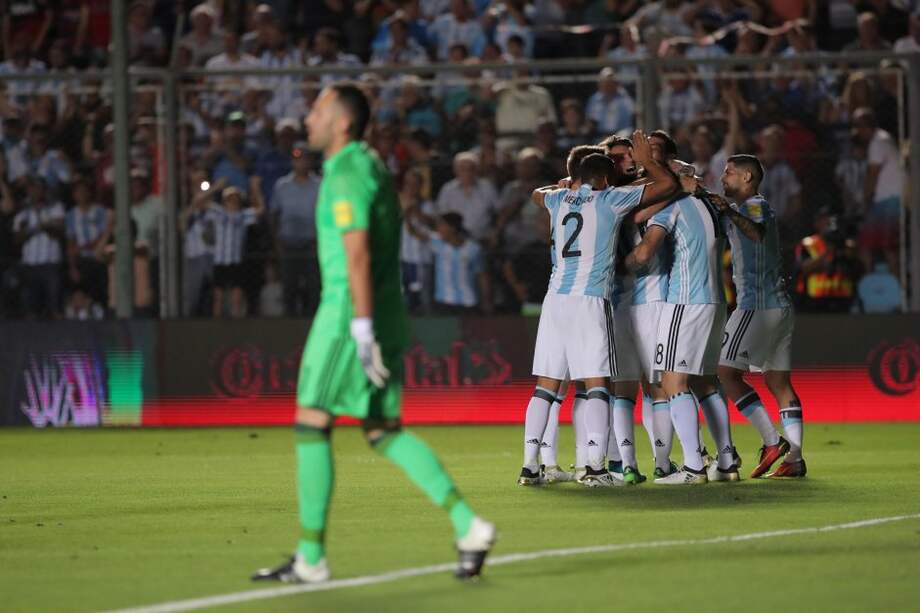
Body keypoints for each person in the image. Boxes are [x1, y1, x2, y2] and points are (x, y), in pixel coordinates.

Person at [252, 83, 495, 585]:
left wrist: (360, 329)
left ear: (342, 122)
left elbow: (356, 253)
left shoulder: (346, 170)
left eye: (318, 110)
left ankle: (311, 558)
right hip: (380, 311)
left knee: (311, 422)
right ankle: (468, 526)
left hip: (348, 314)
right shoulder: (370, 165)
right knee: (383, 430)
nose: (308, 118)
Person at [521, 134, 678, 488]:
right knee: (597, 385)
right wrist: (647, 161)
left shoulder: (557, 199)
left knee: (545, 387)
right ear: (605, 179)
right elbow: (667, 186)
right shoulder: (610, 199)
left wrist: (566, 184)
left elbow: (536, 194)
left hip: (554, 300)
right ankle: (593, 468)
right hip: (590, 301)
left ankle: (529, 466)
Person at [625, 161, 739, 485]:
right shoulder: (711, 204)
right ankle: (727, 461)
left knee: (672, 382)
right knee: (705, 382)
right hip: (716, 301)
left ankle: (693, 467)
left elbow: (645, 253)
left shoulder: (670, 206)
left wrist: (621, 264)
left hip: (685, 301)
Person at [715, 154, 807, 479]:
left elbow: (756, 233)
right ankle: (795, 459)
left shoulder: (754, 206)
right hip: (779, 306)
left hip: (756, 305)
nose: (723, 177)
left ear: (747, 177)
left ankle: (771, 441)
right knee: (778, 382)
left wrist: (728, 211)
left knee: (725, 373)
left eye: (729, 172)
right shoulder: (746, 208)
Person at [605, 132, 680, 482]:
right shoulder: (638, 193)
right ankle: (657, 465)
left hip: (625, 301)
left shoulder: (601, 198)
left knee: (630, 388)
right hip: (644, 298)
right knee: (651, 387)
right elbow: (670, 185)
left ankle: (630, 465)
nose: (625, 161)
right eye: (616, 158)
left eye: (627, 155)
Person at [270, 143, 321, 317]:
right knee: (289, 288)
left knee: (314, 288)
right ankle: (289, 326)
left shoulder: (320, 185)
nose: (301, 163)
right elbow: (274, 215)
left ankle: (314, 325)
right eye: (297, 159)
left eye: (305, 158)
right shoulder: (281, 185)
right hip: (288, 244)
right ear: (292, 161)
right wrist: (277, 243)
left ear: (311, 161)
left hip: (312, 244)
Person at [208, 179, 265, 318]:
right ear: (224, 201)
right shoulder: (219, 213)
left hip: (236, 261)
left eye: (235, 199)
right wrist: (215, 188)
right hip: (220, 261)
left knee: (237, 298)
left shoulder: (243, 215)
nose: (233, 202)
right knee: (218, 298)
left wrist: (256, 190)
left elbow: (261, 210)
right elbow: (199, 202)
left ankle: (236, 325)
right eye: (229, 199)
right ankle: (215, 325)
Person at [13, 177, 65, 318]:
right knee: (30, 306)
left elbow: (58, 232)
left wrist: (41, 221)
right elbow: (17, 238)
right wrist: (39, 227)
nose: (34, 192)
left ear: (44, 190)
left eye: (37, 188)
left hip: (50, 263)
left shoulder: (55, 207)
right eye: (31, 188)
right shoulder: (23, 210)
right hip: (30, 263)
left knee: (54, 305)